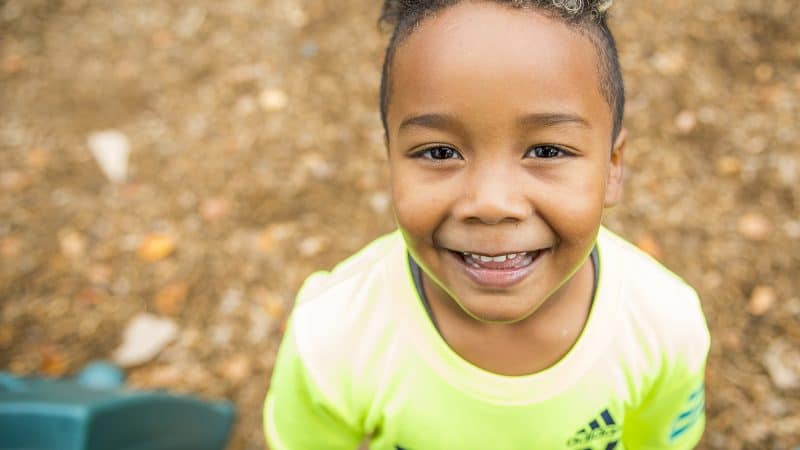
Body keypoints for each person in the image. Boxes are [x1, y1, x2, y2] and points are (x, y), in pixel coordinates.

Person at [264, 0, 710, 448]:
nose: (492, 203)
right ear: (390, 161)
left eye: (547, 151)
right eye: (439, 153)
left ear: (613, 168)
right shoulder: (331, 337)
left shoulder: (666, 327)